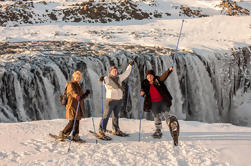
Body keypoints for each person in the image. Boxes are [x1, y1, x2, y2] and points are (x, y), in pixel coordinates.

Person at [98, 61, 134, 138]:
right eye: (113, 70)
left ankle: (115, 129)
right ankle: (101, 130)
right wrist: (102, 79)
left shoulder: (119, 78)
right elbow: (105, 80)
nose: (115, 71)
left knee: (116, 116)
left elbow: (126, 73)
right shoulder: (108, 78)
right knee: (106, 115)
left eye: (116, 70)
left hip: (119, 100)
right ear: (110, 71)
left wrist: (130, 66)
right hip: (110, 100)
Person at [140, 66, 174, 138]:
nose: (149, 77)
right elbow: (142, 89)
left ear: (153, 76)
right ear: (146, 77)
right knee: (156, 117)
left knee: (166, 114)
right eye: (148, 76)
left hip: (162, 101)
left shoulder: (158, 80)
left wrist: (169, 70)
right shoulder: (145, 83)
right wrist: (142, 91)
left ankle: (172, 126)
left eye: (151, 75)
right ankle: (158, 131)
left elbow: (163, 76)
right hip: (153, 103)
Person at [58, 71, 90, 141]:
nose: (78, 79)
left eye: (79, 78)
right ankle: (63, 133)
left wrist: (86, 94)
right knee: (72, 121)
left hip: (78, 106)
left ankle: (75, 135)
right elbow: (71, 92)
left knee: (77, 120)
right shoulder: (70, 84)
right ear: (74, 77)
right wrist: (76, 96)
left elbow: (80, 97)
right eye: (77, 77)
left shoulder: (78, 85)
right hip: (71, 105)